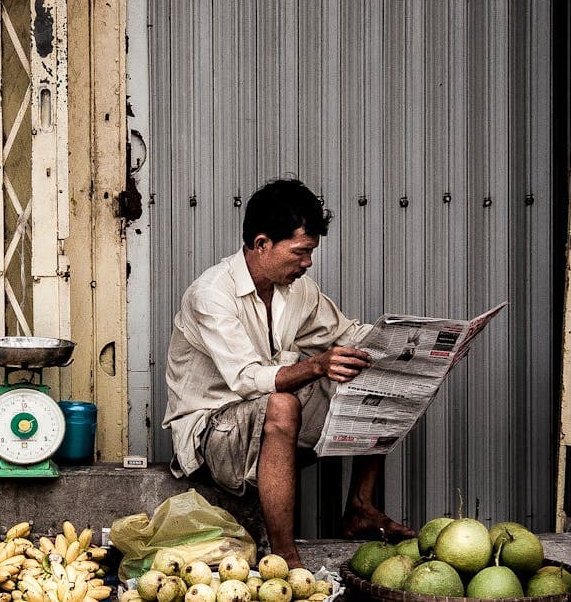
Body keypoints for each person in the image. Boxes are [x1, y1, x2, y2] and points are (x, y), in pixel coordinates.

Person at [162, 178, 414, 569]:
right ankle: (285, 556)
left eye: (311, 252)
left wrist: (411, 345)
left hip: (265, 421)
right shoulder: (210, 293)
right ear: (262, 244)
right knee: (282, 404)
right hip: (211, 434)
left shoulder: (298, 290)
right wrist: (316, 364)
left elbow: (348, 335)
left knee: (367, 372)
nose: (308, 262)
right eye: (301, 252)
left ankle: (361, 507)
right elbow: (247, 379)